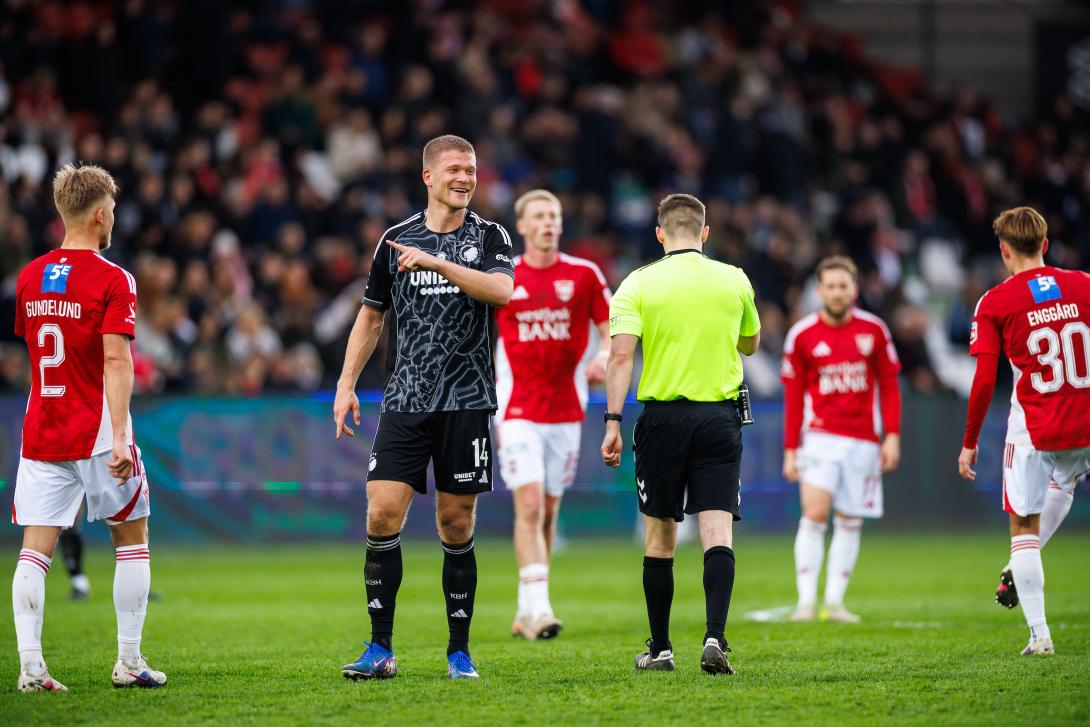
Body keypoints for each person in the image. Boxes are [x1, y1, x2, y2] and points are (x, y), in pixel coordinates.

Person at [334, 135, 514, 680]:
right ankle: (379, 648)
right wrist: (346, 384)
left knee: (455, 523)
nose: (466, 178)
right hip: (406, 400)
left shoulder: (490, 236)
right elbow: (371, 316)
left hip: (466, 401)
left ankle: (459, 652)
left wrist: (437, 263)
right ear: (429, 177)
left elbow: (500, 291)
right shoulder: (395, 241)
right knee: (381, 513)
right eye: (455, 169)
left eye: (471, 170)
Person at [11, 163, 163, 692]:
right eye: (113, 210)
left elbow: (36, 354)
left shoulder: (29, 276)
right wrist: (120, 437)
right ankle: (129, 661)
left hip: (42, 429)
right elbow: (116, 361)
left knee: (35, 550)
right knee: (131, 537)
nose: (114, 218)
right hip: (96, 430)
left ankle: (31, 669)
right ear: (100, 215)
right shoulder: (113, 278)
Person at [601, 193, 760, 675]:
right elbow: (751, 343)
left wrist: (612, 421)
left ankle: (661, 650)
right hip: (719, 418)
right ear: (705, 232)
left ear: (660, 234)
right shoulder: (734, 279)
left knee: (659, 537)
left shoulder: (636, 283)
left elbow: (621, 357)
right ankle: (715, 637)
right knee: (717, 531)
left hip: (662, 420)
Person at [958, 206, 1090, 656]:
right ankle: (1020, 565)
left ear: (1004, 250)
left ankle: (1039, 635)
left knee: (1023, 528)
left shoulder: (996, 301)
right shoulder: (1084, 285)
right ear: (1045, 244)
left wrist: (970, 441)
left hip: (1034, 428)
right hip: (1083, 423)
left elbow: (983, 381)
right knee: (1065, 483)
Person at [495, 189, 611, 641]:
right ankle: (541, 610)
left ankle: (526, 609)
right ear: (522, 226)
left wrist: (604, 356)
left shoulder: (583, 275)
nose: (548, 223)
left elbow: (612, 328)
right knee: (528, 505)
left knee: (546, 512)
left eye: (554, 216)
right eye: (539, 216)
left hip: (566, 411)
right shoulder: (504, 277)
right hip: (517, 409)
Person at [780, 256, 902, 624]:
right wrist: (790, 450)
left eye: (843, 286)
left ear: (854, 289)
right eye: (830, 286)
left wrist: (892, 436)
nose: (837, 293)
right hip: (819, 438)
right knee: (815, 514)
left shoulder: (875, 330)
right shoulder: (801, 335)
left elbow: (890, 386)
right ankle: (805, 602)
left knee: (850, 520)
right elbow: (792, 398)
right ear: (820, 291)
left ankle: (834, 603)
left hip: (863, 440)